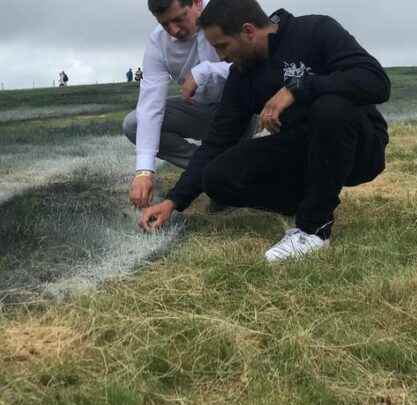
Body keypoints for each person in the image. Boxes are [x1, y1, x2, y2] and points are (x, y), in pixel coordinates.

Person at [139, 0, 391, 262]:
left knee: (331, 107)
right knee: (217, 177)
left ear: (248, 31)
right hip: (301, 151)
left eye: (223, 46)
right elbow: (216, 142)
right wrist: (173, 202)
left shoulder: (315, 30)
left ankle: (313, 228)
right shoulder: (241, 75)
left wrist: (297, 88)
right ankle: (310, 198)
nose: (222, 57)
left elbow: (377, 82)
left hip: (360, 148)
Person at [123, 0, 233, 209]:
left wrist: (206, 71)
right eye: (165, 24)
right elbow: (150, 104)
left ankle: (230, 170)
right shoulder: (158, 41)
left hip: (241, 109)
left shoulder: (228, 12)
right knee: (133, 124)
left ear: (197, 3)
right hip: (200, 112)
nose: (173, 30)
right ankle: (212, 170)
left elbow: (258, 62)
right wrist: (144, 171)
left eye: (179, 19)